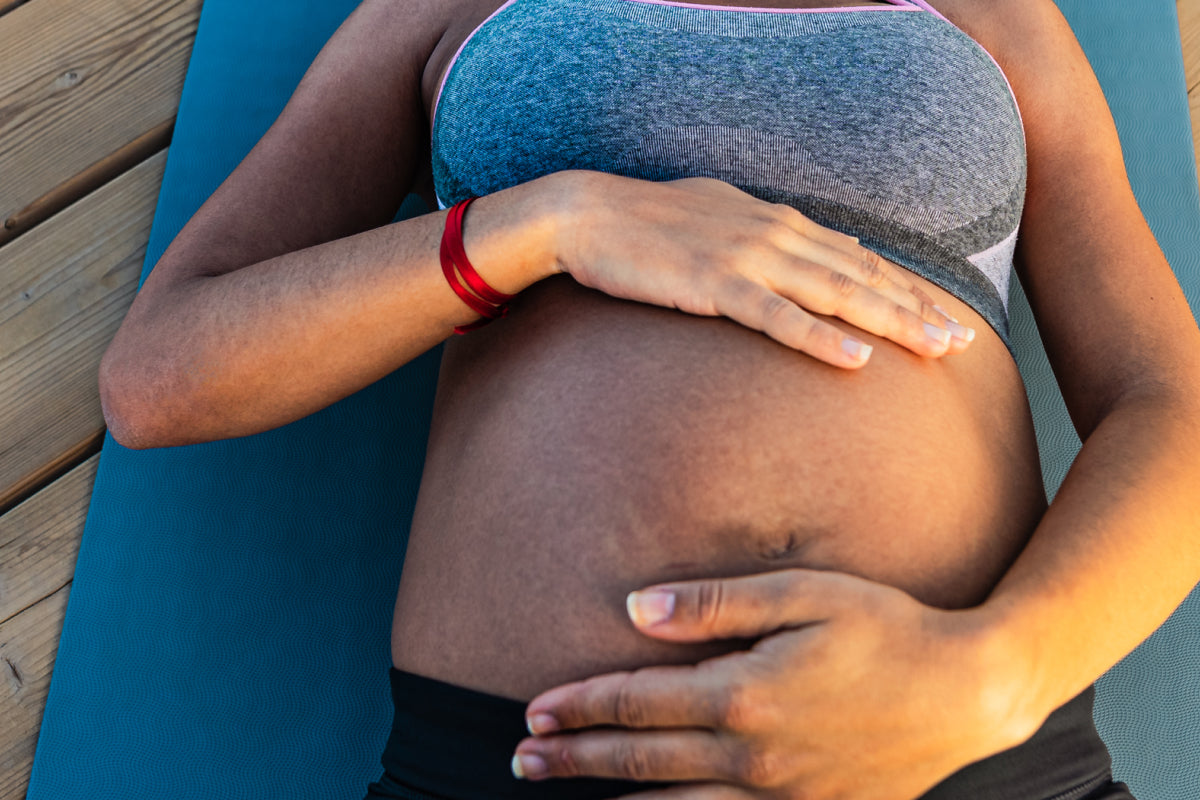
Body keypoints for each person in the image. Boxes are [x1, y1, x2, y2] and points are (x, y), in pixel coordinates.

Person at [97, 0, 1200, 797]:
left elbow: (1170, 403)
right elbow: (160, 375)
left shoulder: (996, 19)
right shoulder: (451, 8)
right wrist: (551, 223)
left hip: (963, 751)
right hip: (519, 757)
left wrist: (993, 678)